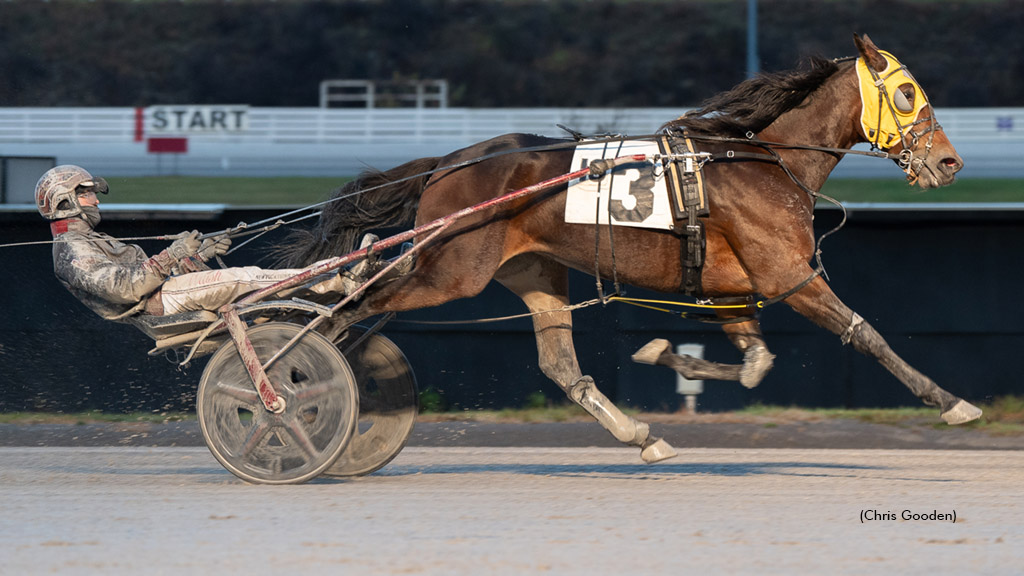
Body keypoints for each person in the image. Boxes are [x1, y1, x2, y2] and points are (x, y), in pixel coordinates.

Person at [36, 165, 341, 321]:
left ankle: (329, 279)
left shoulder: (90, 239)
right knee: (242, 277)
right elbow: (125, 288)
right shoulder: (71, 251)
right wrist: (172, 255)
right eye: (88, 193)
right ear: (65, 201)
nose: (96, 202)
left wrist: (196, 254)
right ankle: (333, 280)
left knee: (247, 279)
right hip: (159, 302)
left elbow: (142, 271)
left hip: (166, 292)